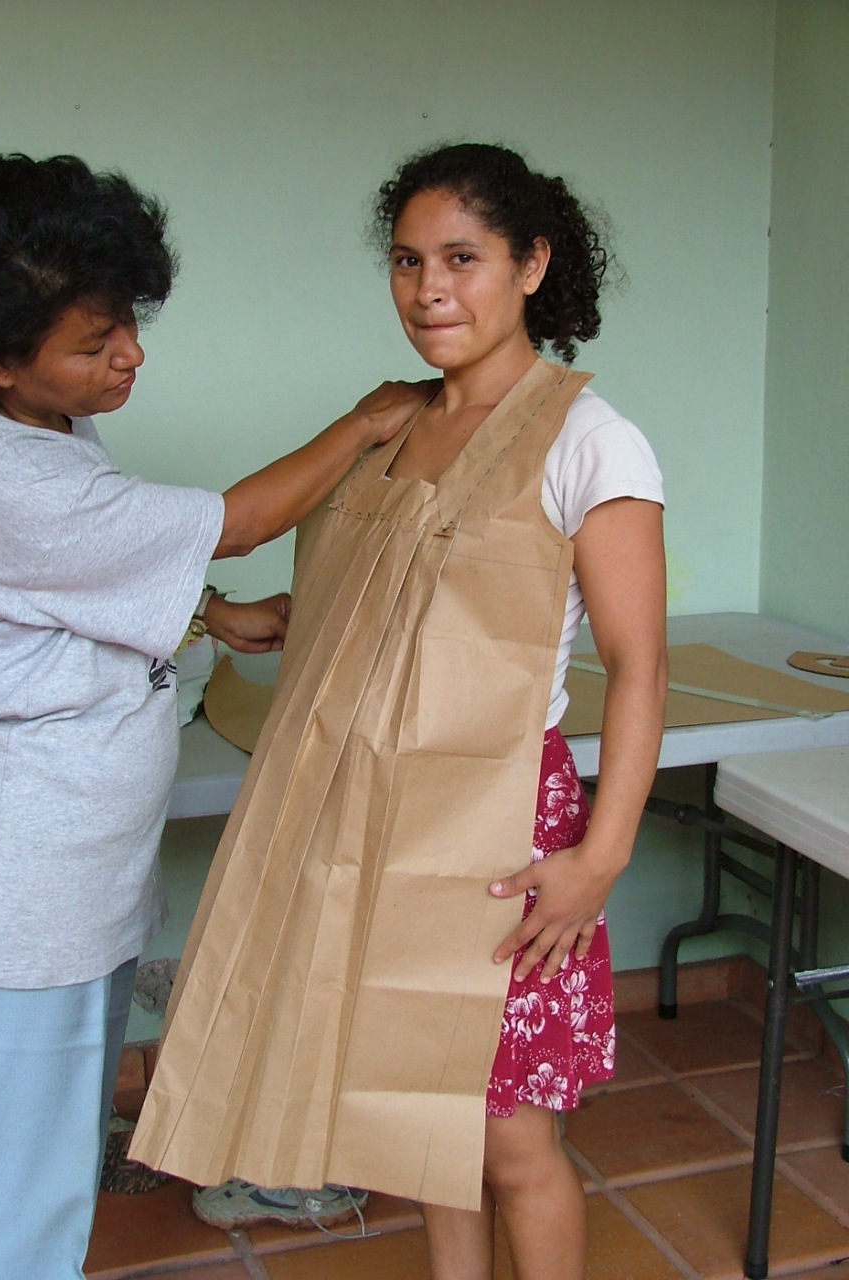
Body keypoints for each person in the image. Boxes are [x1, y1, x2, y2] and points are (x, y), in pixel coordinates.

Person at [131, 142, 668, 1280]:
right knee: (418, 1131)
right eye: (410, 259)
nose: (430, 288)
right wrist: (258, 615)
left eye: (464, 258)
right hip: (371, 814)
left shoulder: (590, 438)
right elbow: (375, 602)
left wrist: (602, 856)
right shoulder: (389, 427)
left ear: (533, 264)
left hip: (501, 827)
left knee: (511, 1137)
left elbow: (639, 664)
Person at [0, 152, 426, 1280]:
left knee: (45, 1163)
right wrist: (366, 422)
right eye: (94, 343)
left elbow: (53, 592)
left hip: (66, 865)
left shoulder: (29, 422)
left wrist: (211, 617)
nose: (130, 353)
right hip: (14, 877)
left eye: (126, 321)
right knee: (11, 1198)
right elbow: (229, 521)